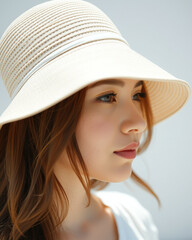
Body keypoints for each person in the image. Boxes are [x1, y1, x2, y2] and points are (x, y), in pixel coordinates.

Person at [0, 0, 190, 239]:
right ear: (45, 117)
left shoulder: (134, 220)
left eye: (137, 94)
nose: (139, 123)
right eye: (107, 97)